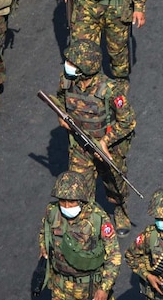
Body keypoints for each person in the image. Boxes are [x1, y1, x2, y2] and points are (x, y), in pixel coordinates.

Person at [54, 39, 136, 236]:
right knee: (79, 187)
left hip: (108, 146)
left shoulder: (110, 89)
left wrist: (105, 142)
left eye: (73, 63)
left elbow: (128, 121)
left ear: (86, 66)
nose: (68, 65)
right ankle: (87, 227)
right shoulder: (67, 81)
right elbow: (58, 99)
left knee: (114, 183)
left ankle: (120, 210)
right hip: (80, 146)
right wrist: (61, 115)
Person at [38, 171, 120, 300]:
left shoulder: (97, 218)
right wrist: (44, 249)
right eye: (63, 200)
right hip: (61, 286)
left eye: (72, 201)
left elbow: (113, 255)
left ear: (82, 199)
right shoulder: (52, 212)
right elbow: (44, 233)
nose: (67, 206)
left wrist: (104, 287)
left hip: (91, 286)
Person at [61, 0, 147, 83]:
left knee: (117, 51)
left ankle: (120, 83)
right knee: (82, 51)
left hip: (116, 5)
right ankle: (86, 88)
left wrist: (139, 7)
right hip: (86, 4)